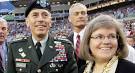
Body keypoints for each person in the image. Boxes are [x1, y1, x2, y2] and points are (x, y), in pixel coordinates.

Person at [7, 1, 78, 73]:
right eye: (35, 15)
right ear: (27, 22)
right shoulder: (15, 47)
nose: (40, 19)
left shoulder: (65, 47)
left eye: (45, 15)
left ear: (50, 21)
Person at [68, 3, 88, 70]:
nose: (80, 16)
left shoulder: (95, 37)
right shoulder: (67, 41)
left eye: (83, 13)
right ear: (69, 18)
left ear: (87, 17)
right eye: (76, 14)